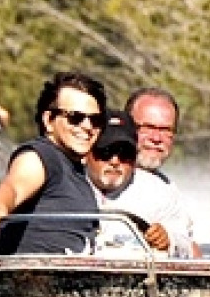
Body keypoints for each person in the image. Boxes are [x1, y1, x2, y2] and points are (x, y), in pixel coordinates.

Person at [0, 71, 106, 271]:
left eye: (96, 120)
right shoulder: (40, 157)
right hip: (29, 284)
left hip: (73, 284)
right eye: (75, 118)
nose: (87, 126)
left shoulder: (77, 171)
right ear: (49, 120)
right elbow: (13, 187)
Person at [84, 112, 193, 257]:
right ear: (86, 153)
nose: (115, 161)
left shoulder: (160, 191)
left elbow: (186, 244)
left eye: (125, 153)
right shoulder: (64, 183)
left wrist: (168, 239)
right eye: (105, 151)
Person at [125, 86, 199, 255]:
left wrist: (168, 240)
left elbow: (192, 250)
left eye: (166, 130)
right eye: (147, 128)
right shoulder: (93, 173)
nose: (156, 138)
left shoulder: (168, 191)